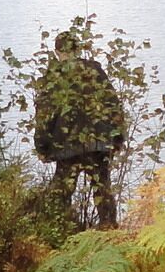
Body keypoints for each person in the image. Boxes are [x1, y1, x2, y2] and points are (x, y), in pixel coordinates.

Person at [33, 30, 128, 229]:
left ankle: (60, 233)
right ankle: (109, 233)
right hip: (99, 143)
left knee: (61, 192)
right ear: (78, 49)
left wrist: (42, 146)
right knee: (102, 188)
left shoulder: (54, 77)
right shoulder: (96, 71)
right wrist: (118, 138)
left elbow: (45, 115)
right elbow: (114, 106)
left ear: (58, 51)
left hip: (67, 146)